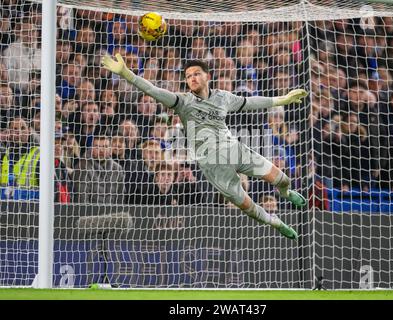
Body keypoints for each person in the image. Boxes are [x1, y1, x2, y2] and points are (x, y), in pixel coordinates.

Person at [102, 54, 308, 240]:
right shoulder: (182, 102)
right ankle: (276, 223)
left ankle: (287, 193)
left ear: (207, 76)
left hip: (235, 151)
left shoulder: (223, 97)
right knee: (249, 207)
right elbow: (152, 90)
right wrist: (126, 73)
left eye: (196, 74)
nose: (192, 78)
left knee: (283, 179)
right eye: (188, 75)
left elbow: (251, 101)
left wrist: (282, 99)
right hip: (214, 167)